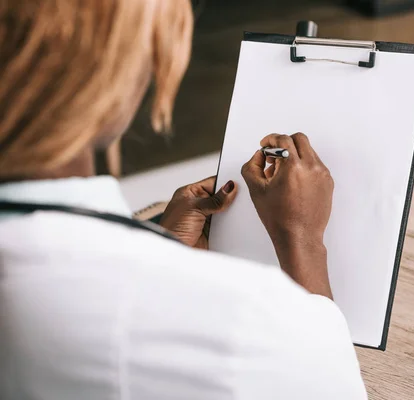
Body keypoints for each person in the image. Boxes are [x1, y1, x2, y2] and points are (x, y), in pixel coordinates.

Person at [0, 1, 367, 399]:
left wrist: (159, 246)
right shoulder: (247, 328)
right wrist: (302, 240)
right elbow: (323, 381)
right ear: (115, 69)